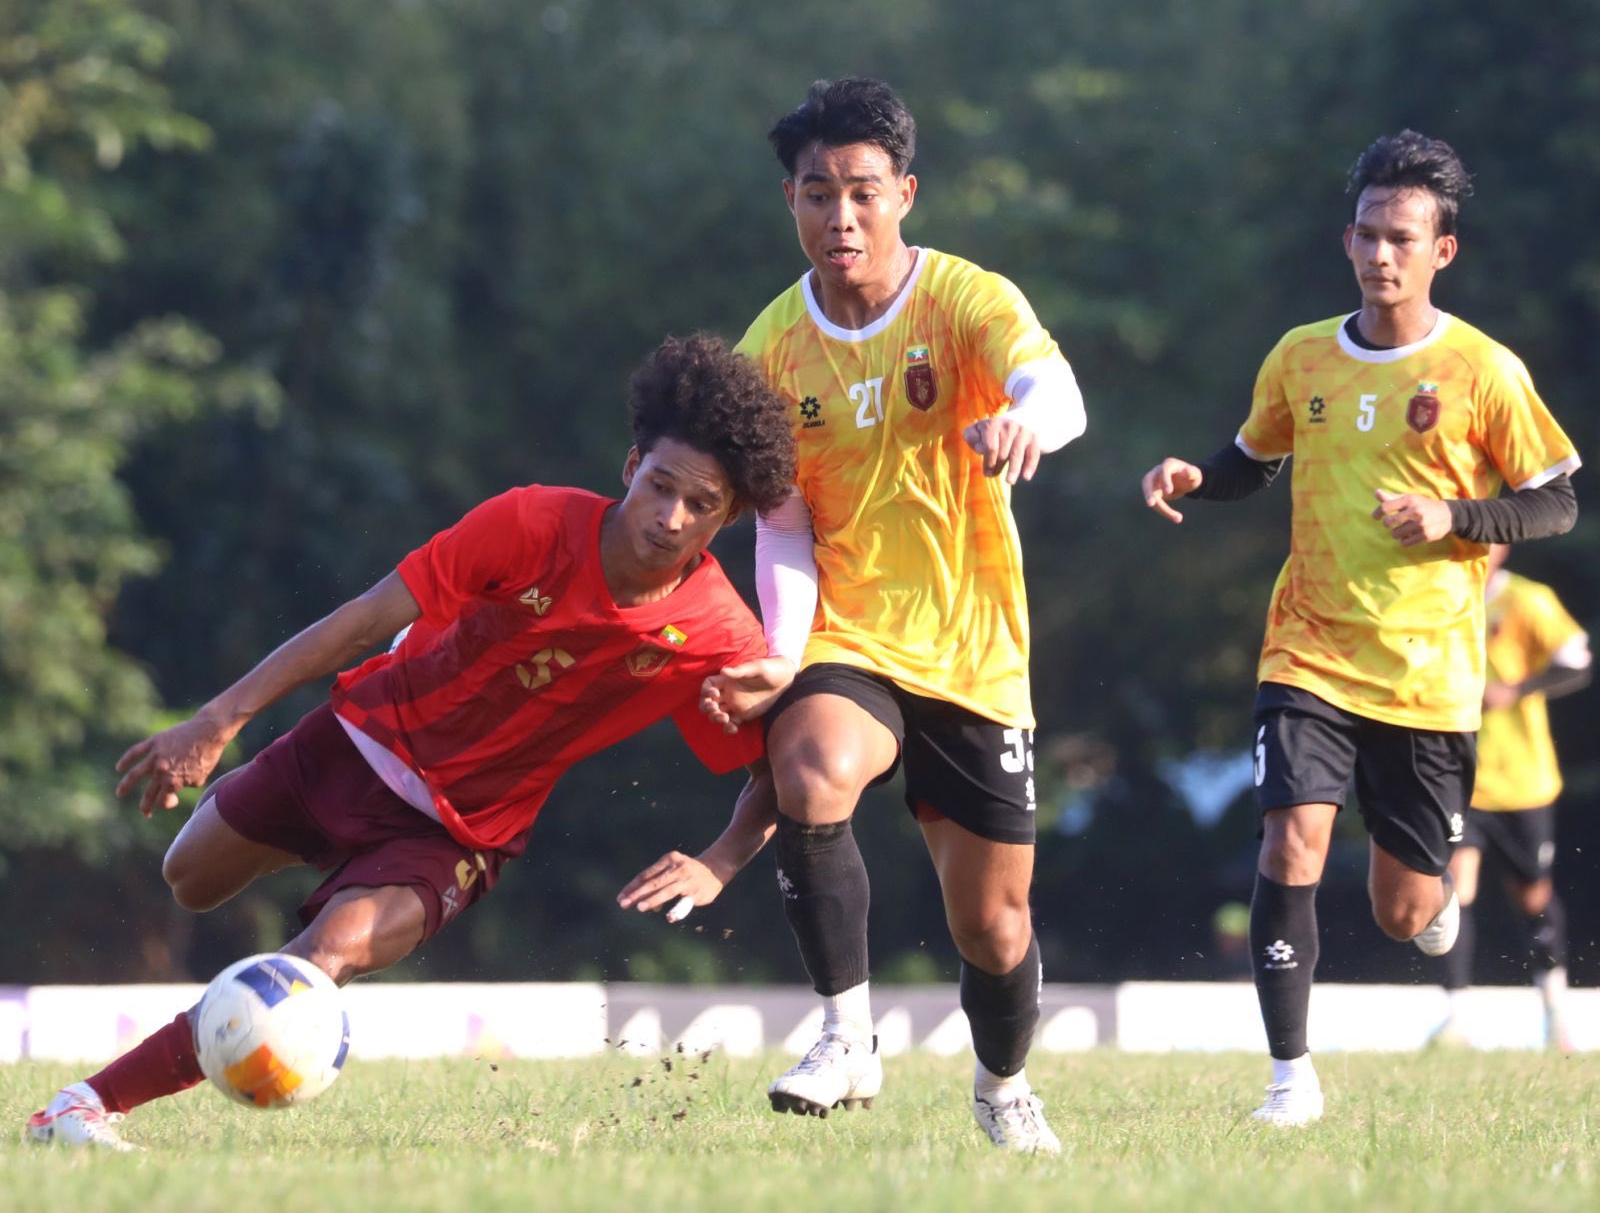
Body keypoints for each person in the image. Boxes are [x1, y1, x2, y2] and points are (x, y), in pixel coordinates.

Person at [28, 334, 795, 1151]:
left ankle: (80, 1105)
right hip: (360, 740)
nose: (671, 518)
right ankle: (306, 841)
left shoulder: (719, 635)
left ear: (730, 516)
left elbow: (785, 770)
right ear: (632, 466)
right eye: (660, 486)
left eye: (701, 504)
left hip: (461, 829)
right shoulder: (531, 522)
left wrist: (722, 860)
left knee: (325, 957)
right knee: (189, 878)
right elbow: (364, 619)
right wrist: (220, 717)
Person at [1139, 130, 1579, 1127]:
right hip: (1308, 649)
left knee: (1402, 910)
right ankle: (1290, 1079)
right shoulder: (1301, 355)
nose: (1381, 254)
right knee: (1290, 842)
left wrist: (1454, 516)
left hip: (1427, 677)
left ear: (1441, 251)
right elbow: (1253, 460)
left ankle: (1434, 902)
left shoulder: (1482, 368)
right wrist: (1197, 476)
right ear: (1347, 239)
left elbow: (1556, 501)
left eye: (1402, 238)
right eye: (1367, 234)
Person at [711, 77, 1086, 1153]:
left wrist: (1026, 423)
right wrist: (785, 656)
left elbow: (1058, 392)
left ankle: (1003, 1086)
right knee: (810, 768)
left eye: (863, 192)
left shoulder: (964, 298)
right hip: (850, 633)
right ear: (790, 199)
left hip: (973, 646)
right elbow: (781, 528)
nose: (841, 216)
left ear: (905, 194)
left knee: (993, 926)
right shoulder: (769, 351)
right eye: (817, 193)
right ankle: (845, 1037)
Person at [1432, 544, 1591, 1051]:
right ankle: (1455, 1017)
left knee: (1533, 897)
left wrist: (1516, 690)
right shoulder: (1433, 595)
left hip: (1523, 780)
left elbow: (1577, 662)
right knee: (1454, 891)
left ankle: (1554, 1012)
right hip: (1459, 776)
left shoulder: (1527, 599)